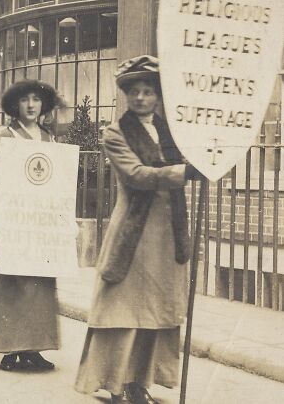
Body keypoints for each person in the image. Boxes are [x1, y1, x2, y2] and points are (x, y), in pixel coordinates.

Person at [75, 55, 196, 404]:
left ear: (158, 96)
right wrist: (183, 172)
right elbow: (136, 175)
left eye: (148, 91)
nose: (141, 98)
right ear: (127, 95)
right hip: (134, 231)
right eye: (135, 92)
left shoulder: (173, 131)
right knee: (124, 309)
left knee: (156, 310)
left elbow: (195, 161)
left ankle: (139, 382)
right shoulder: (115, 133)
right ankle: (115, 382)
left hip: (168, 231)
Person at [0, 79, 63, 372]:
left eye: (36, 100)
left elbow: (57, 179)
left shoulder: (49, 138)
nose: (31, 105)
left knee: (40, 284)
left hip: (40, 221)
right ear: (15, 105)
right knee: (14, 282)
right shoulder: (5, 134)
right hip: (14, 217)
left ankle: (33, 348)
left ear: (43, 105)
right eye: (25, 100)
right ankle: (9, 348)